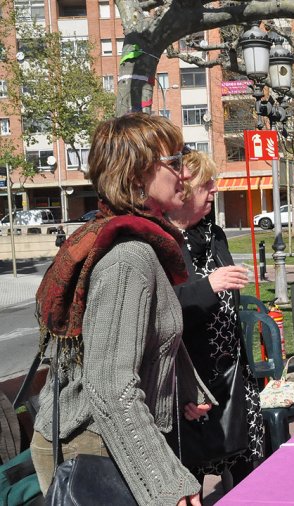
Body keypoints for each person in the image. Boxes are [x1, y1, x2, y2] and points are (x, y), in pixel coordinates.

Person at [31, 113, 207, 505]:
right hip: (92, 446)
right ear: (136, 175)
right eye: (174, 162)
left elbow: (153, 334)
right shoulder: (128, 257)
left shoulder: (141, 242)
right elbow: (110, 386)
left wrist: (185, 387)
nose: (184, 174)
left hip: (111, 437)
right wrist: (168, 485)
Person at [167, 151, 262, 488]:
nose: (214, 191)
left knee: (247, 466)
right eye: (206, 185)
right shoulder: (161, 242)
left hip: (233, 375)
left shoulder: (215, 234)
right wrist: (209, 286)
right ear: (182, 191)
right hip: (190, 384)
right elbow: (159, 313)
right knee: (189, 477)